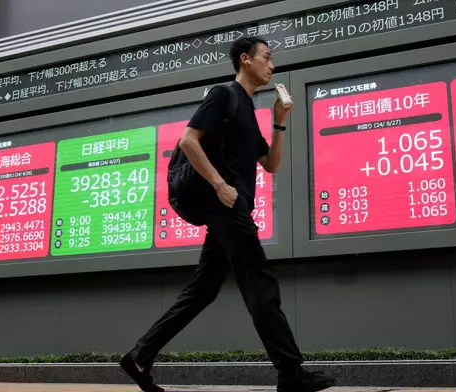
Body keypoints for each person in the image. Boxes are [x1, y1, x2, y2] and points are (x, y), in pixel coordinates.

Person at [119, 36, 336, 392]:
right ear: (245, 60)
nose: (273, 65)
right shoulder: (224, 94)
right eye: (267, 57)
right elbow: (189, 140)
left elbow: (271, 164)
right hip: (223, 205)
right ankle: (290, 372)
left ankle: (139, 358)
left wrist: (279, 121)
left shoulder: (249, 110)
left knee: (203, 290)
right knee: (260, 280)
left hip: (229, 207)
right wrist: (219, 184)